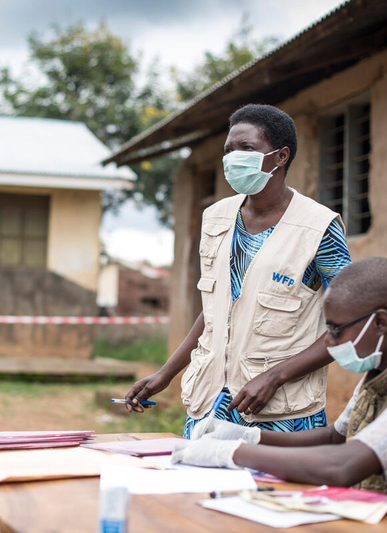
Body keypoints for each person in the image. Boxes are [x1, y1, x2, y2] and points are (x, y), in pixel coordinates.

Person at [173, 258, 387, 533]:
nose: (331, 344)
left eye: (335, 330)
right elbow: (337, 438)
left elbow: (342, 465)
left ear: (380, 322)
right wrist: (249, 435)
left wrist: (231, 452)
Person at [125, 104, 351, 438]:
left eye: (247, 149)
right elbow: (217, 309)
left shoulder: (318, 229)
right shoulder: (216, 218)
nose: (233, 157)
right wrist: (166, 373)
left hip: (282, 416)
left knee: (274, 492)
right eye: (229, 150)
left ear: (280, 156)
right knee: (202, 488)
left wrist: (276, 376)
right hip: (210, 406)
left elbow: (350, 326)